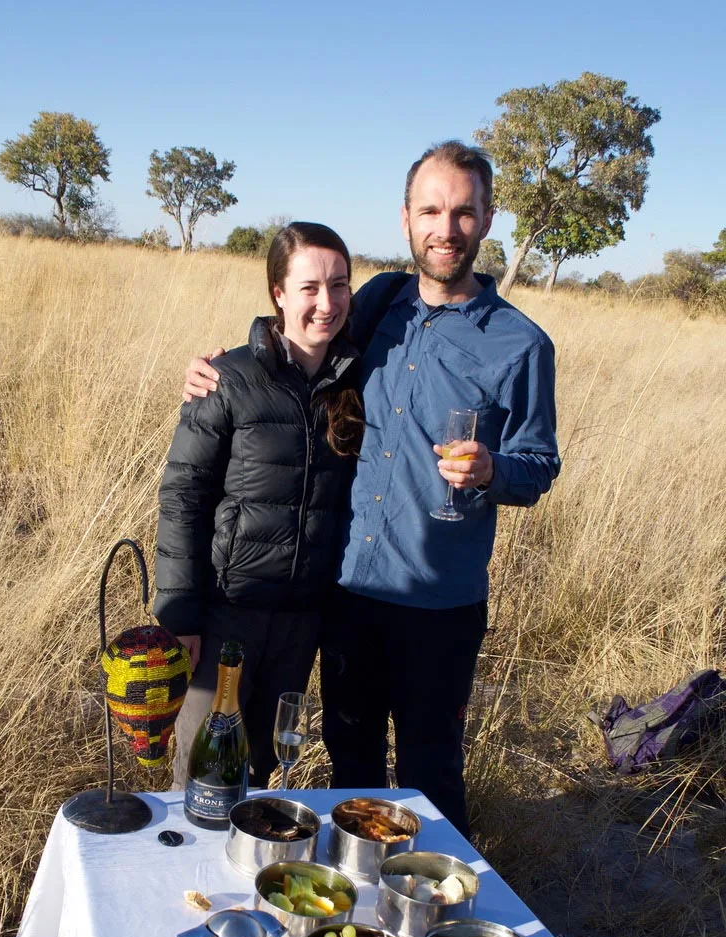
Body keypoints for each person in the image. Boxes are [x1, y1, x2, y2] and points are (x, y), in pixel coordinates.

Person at [181, 141, 560, 835]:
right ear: (408, 217)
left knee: (430, 768)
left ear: (488, 218)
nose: (447, 228)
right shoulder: (379, 299)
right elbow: (303, 330)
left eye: (464, 213)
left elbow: (540, 463)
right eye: (432, 211)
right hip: (349, 591)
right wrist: (224, 368)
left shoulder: (521, 344)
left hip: (439, 604)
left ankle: (435, 913)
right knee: (348, 753)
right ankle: (356, 905)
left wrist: (494, 471)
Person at [155, 221, 365, 788]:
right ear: (277, 292)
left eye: (340, 285)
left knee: (262, 767)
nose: (327, 303)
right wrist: (178, 612)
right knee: (201, 771)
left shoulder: (360, 381)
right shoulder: (226, 380)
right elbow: (182, 497)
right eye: (309, 288)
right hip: (226, 615)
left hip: (302, 624)